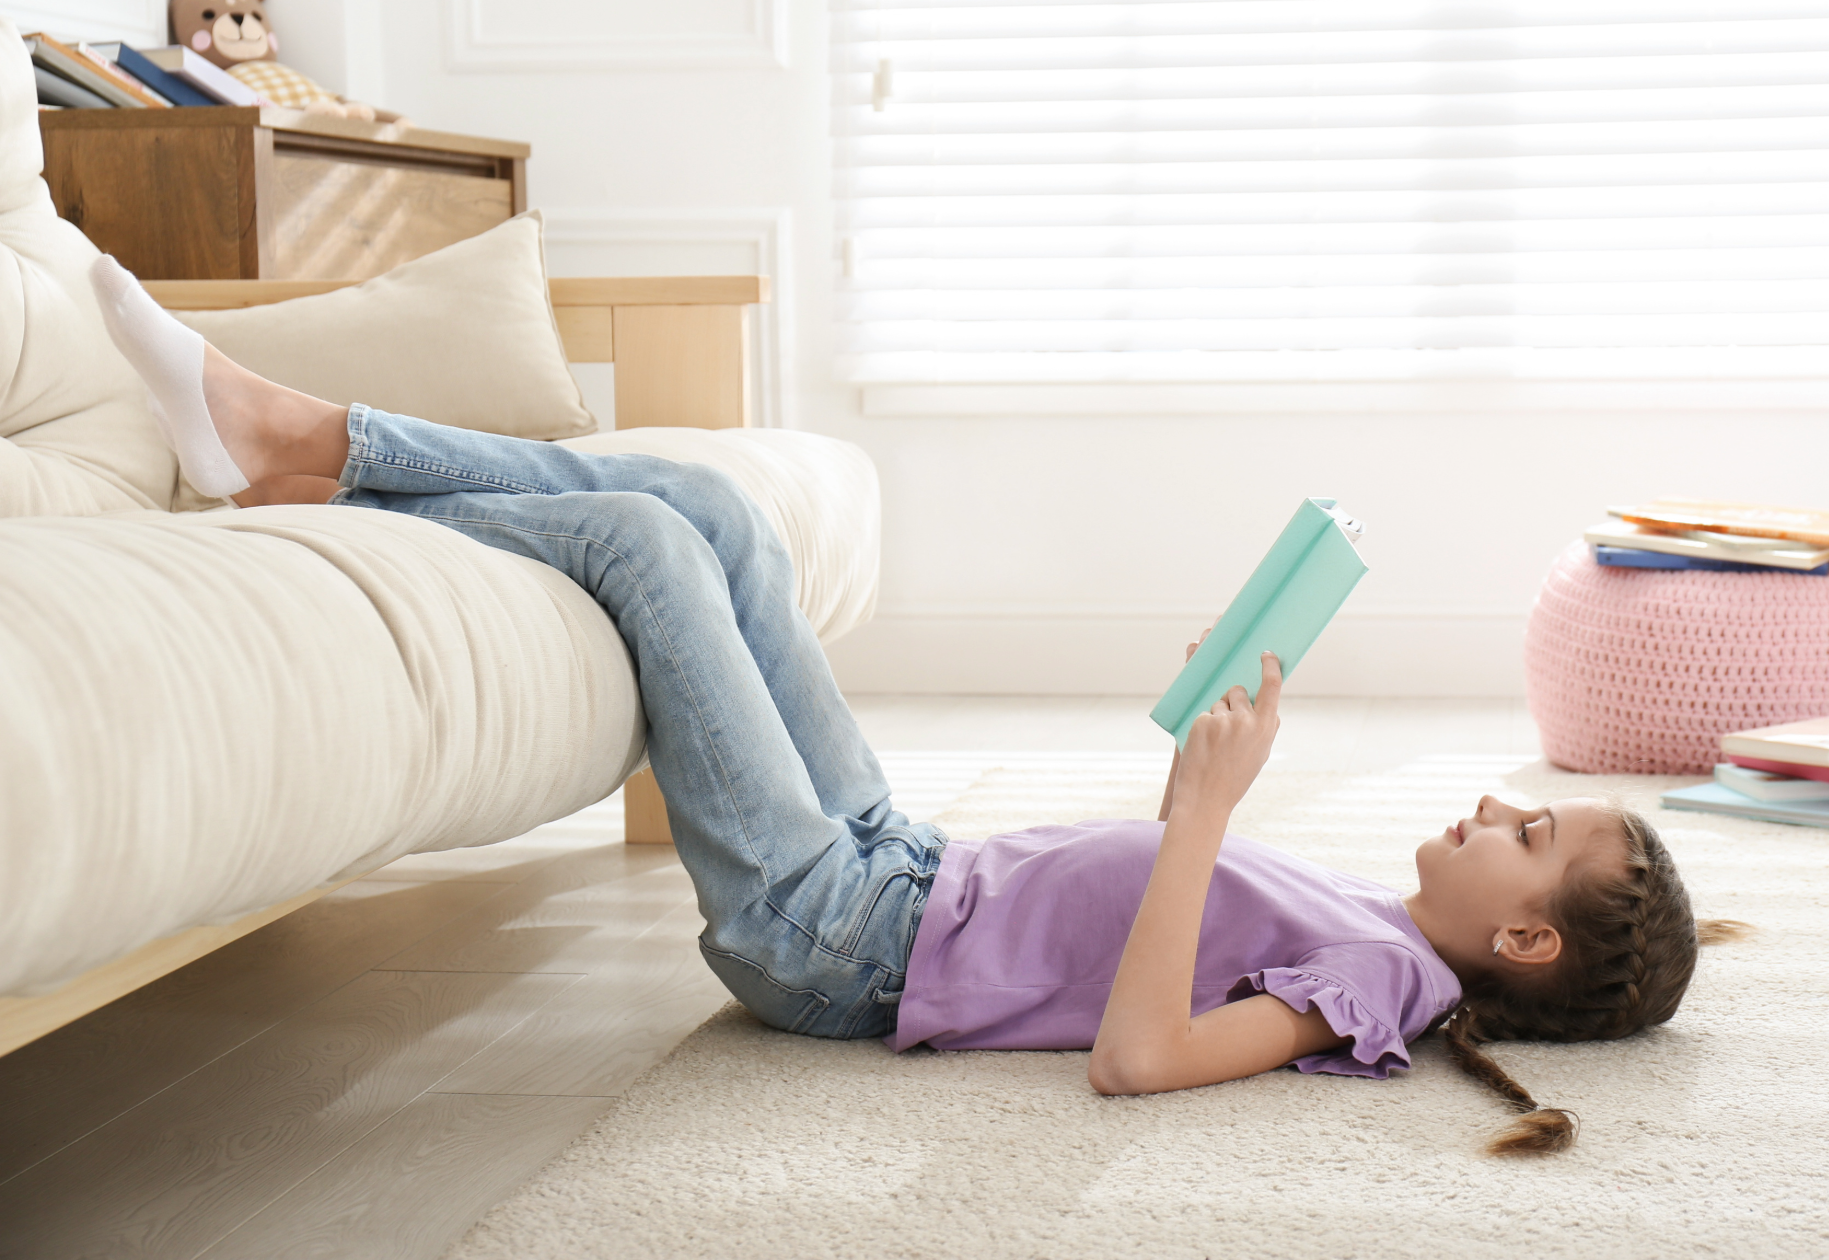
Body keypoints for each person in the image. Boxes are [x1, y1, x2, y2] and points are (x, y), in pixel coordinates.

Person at [91, 257, 1740, 1155]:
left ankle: (316, 463)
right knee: (714, 514)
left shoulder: (1376, 985)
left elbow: (1143, 1061)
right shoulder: (1374, 917)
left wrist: (1203, 818)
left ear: (1522, 942)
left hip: (844, 944)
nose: (1494, 812)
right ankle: (307, 446)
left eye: (1528, 837)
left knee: (650, 548)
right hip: (903, 859)